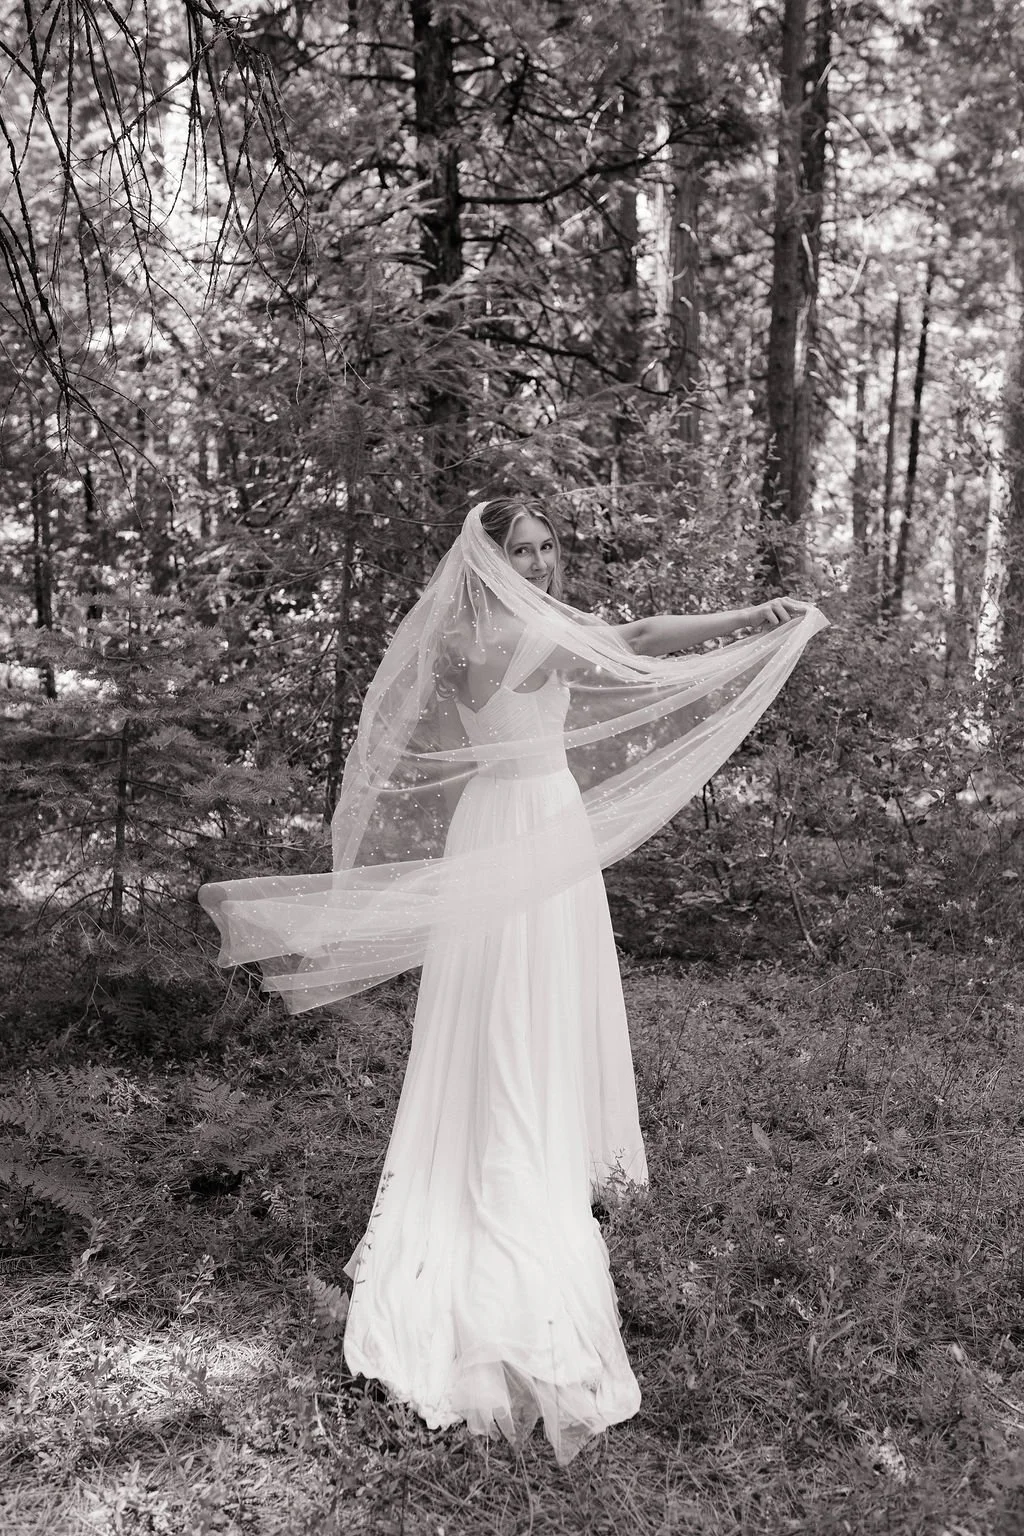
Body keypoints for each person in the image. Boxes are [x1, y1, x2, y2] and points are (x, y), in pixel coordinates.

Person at [199, 498, 826, 1464]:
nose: (538, 564)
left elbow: (466, 719)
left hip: (509, 824)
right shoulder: (520, 636)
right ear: (489, 561)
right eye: (521, 552)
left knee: (519, 993)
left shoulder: (468, 637)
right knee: (512, 999)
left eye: (545, 548)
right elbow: (639, 638)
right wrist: (751, 618)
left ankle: (540, 1138)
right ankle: (523, 1161)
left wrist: (745, 618)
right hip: (527, 823)